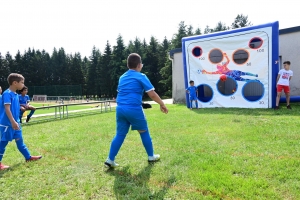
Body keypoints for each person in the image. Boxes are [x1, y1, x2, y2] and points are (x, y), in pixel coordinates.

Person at [104, 53, 168, 168]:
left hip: (120, 109)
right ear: (139, 65)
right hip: (133, 108)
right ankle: (151, 156)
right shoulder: (141, 76)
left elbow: (123, 92)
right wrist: (162, 104)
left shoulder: (122, 77)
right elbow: (152, 94)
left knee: (120, 134)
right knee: (144, 131)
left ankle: (110, 159)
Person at [0, 73, 42, 170]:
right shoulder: (7, 94)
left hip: (16, 123)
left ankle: (28, 157)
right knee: (3, 144)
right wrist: (13, 121)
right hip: (8, 125)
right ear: (15, 83)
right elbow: (7, 109)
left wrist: (17, 121)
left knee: (20, 142)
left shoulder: (15, 94)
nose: (23, 85)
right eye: (22, 82)